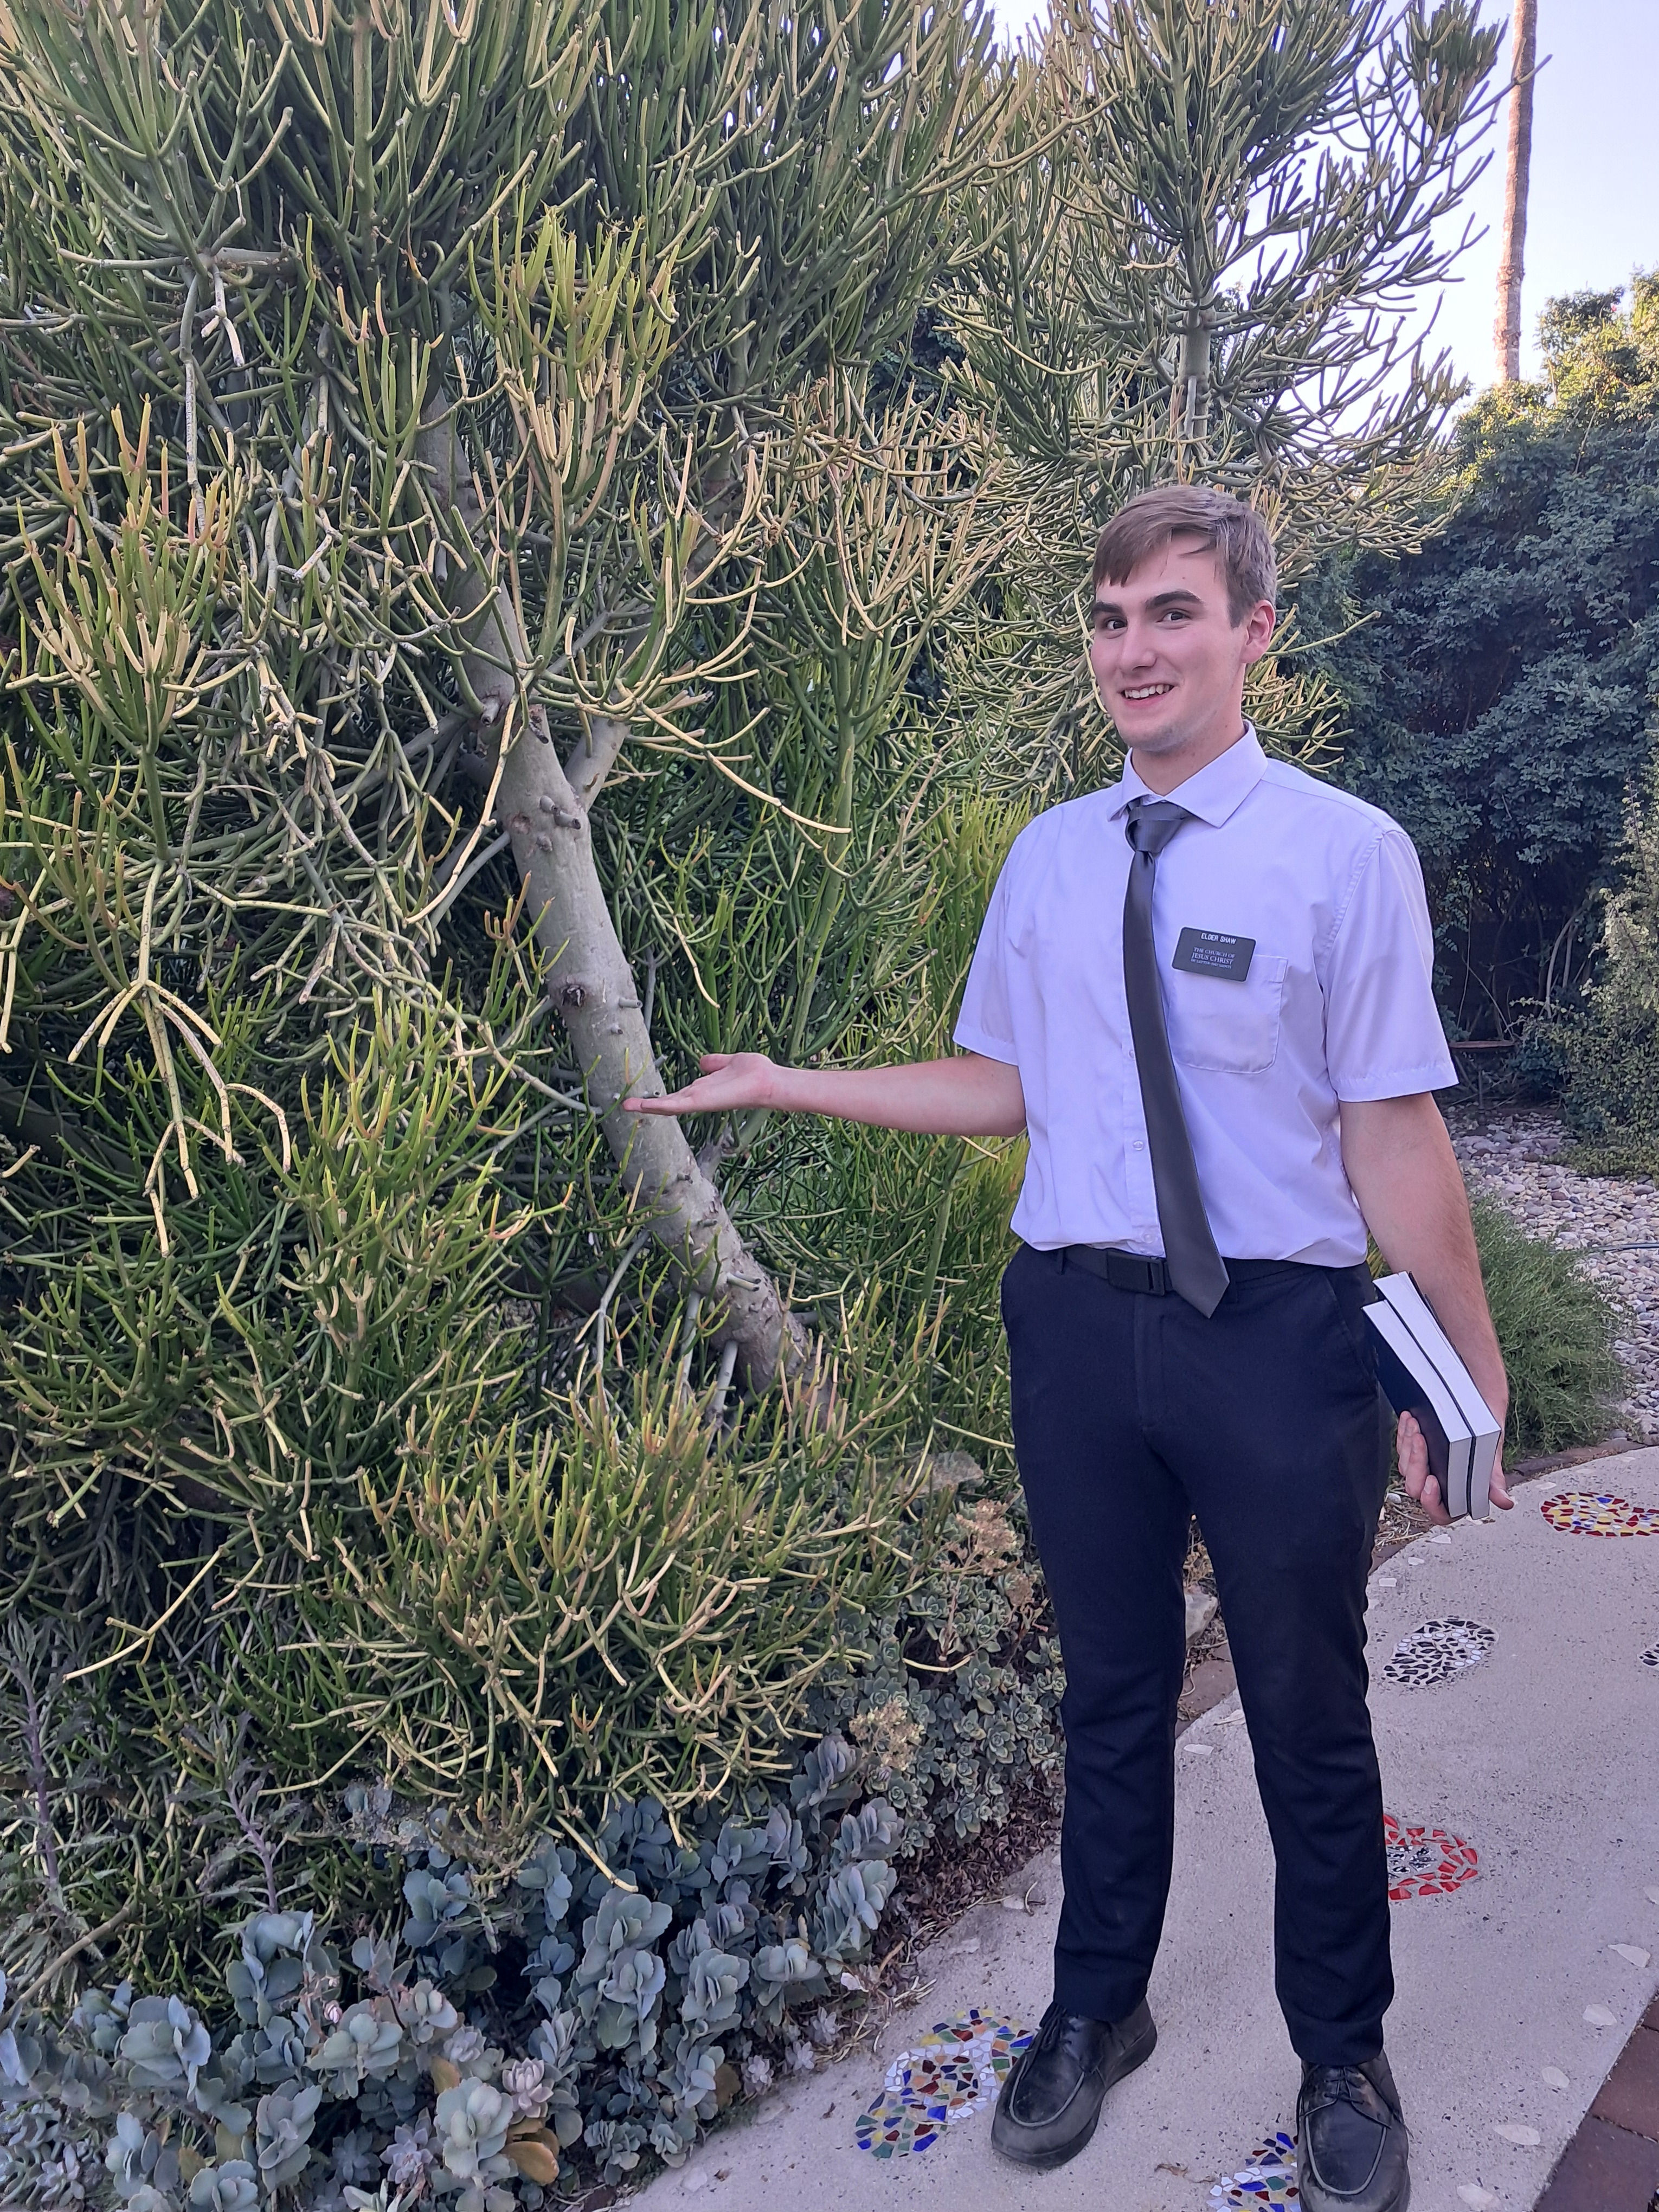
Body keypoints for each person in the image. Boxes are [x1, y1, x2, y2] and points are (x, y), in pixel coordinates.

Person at [626, 484, 1511, 2212]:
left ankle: (1343, 2050)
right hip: (1075, 1330)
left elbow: (1392, 1137)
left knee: (1305, 1715)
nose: (1132, 652)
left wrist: (1457, 1373)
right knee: (1105, 1696)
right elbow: (1003, 1089)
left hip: (1273, 1340)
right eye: (1107, 623)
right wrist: (791, 1084)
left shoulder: (1344, 854)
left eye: (1171, 614)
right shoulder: (1049, 857)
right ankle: (1097, 2010)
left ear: (1253, 633)